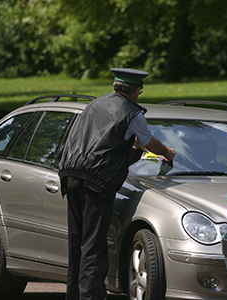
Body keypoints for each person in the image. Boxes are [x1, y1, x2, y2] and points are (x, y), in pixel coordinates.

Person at [58, 68, 175, 300]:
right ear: (136, 91)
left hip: (71, 176)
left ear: (115, 86)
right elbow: (149, 142)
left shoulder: (93, 105)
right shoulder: (133, 114)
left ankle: (74, 296)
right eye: (140, 90)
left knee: (76, 242)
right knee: (93, 246)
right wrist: (167, 152)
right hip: (97, 182)